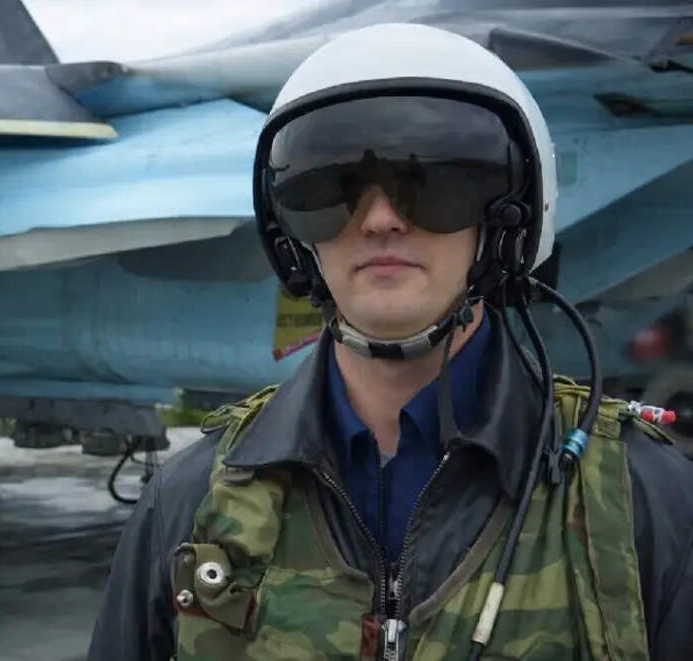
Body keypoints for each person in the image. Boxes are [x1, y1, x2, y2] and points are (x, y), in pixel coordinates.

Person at [88, 23, 693, 661]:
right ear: (292, 234)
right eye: (330, 184)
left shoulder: (638, 501)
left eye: (433, 181)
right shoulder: (191, 503)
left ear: (508, 220)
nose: (380, 219)